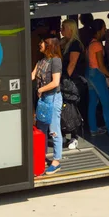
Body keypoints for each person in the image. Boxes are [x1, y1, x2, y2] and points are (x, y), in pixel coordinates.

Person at [32, 38, 63, 175]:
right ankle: (41, 157)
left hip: (52, 98)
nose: (40, 44)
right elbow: (32, 75)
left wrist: (40, 90)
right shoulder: (41, 61)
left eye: (42, 42)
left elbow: (55, 82)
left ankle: (56, 161)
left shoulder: (56, 61)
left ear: (49, 46)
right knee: (41, 129)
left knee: (54, 129)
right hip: (44, 99)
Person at [86, 19, 109, 139]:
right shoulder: (97, 45)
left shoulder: (90, 43)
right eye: (104, 28)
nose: (105, 30)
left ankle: (93, 129)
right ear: (99, 30)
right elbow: (100, 65)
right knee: (106, 103)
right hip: (97, 74)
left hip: (89, 73)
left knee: (92, 102)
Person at [60, 18, 86, 149]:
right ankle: (64, 133)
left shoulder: (75, 44)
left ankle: (74, 136)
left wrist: (65, 80)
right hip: (66, 79)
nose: (61, 30)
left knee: (72, 108)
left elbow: (72, 64)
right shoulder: (65, 43)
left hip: (73, 81)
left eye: (63, 28)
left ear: (70, 29)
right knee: (64, 108)